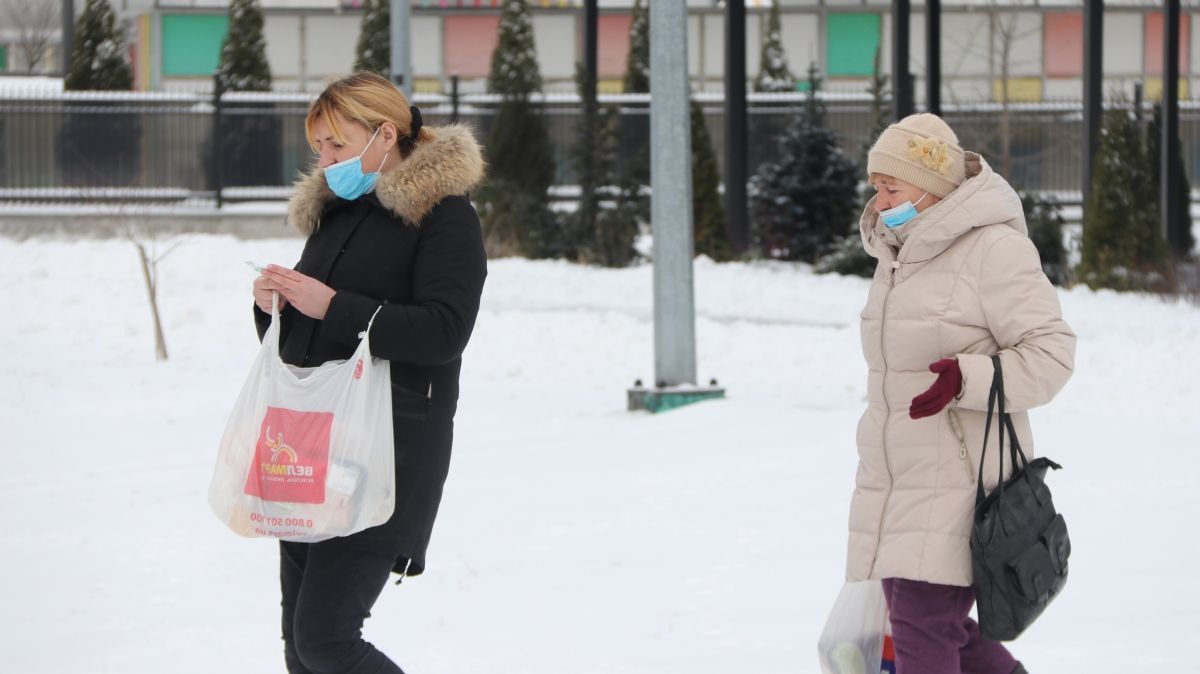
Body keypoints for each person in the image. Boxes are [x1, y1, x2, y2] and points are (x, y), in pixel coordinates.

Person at [250, 71, 487, 674]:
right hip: (310, 444)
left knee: (326, 640)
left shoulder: (445, 216)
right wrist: (272, 307)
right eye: (319, 149)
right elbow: (306, 343)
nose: (325, 161)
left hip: (386, 449)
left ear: (386, 133)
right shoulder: (339, 212)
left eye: (336, 144)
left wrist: (330, 305)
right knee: (301, 650)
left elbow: (443, 332)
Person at [846, 113, 1076, 674]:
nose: (879, 196)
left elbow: (1052, 353)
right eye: (875, 184)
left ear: (931, 182)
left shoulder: (992, 249)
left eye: (890, 183)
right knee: (926, 624)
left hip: (963, 482)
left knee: (923, 629)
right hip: (898, 478)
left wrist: (966, 379)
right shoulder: (897, 254)